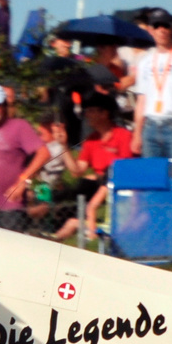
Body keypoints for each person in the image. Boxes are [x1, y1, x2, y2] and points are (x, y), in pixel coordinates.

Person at [0, 83, 49, 232]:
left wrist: (23, 181)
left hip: (12, 207)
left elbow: (43, 153)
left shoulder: (19, 126)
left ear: (4, 105)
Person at [53, 97, 133, 241]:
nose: (86, 115)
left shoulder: (123, 136)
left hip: (116, 184)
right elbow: (77, 171)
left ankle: (81, 227)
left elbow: (125, 168)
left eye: (90, 111)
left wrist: (100, 178)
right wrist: (64, 146)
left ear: (104, 114)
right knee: (77, 188)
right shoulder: (91, 140)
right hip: (98, 185)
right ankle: (58, 221)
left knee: (85, 187)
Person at [130, 9, 172, 171]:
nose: (161, 29)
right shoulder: (145, 61)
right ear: (151, 30)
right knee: (152, 176)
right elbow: (141, 101)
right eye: (157, 25)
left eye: (165, 25)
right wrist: (137, 133)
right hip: (150, 125)